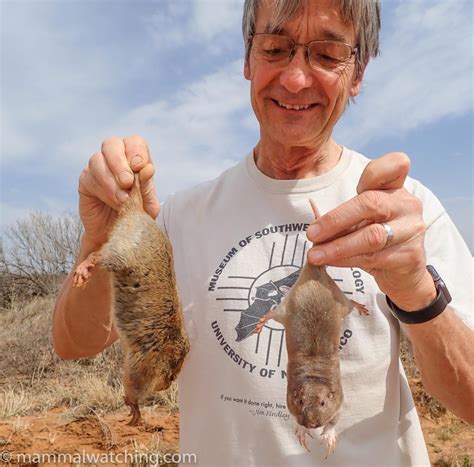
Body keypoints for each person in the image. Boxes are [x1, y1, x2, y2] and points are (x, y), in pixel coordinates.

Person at [53, 0, 473, 465]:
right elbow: (75, 343)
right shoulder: (183, 216)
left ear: (357, 73)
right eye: (275, 48)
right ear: (248, 60)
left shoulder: (403, 211)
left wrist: (417, 292)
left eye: (327, 55)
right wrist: (101, 239)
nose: (296, 78)